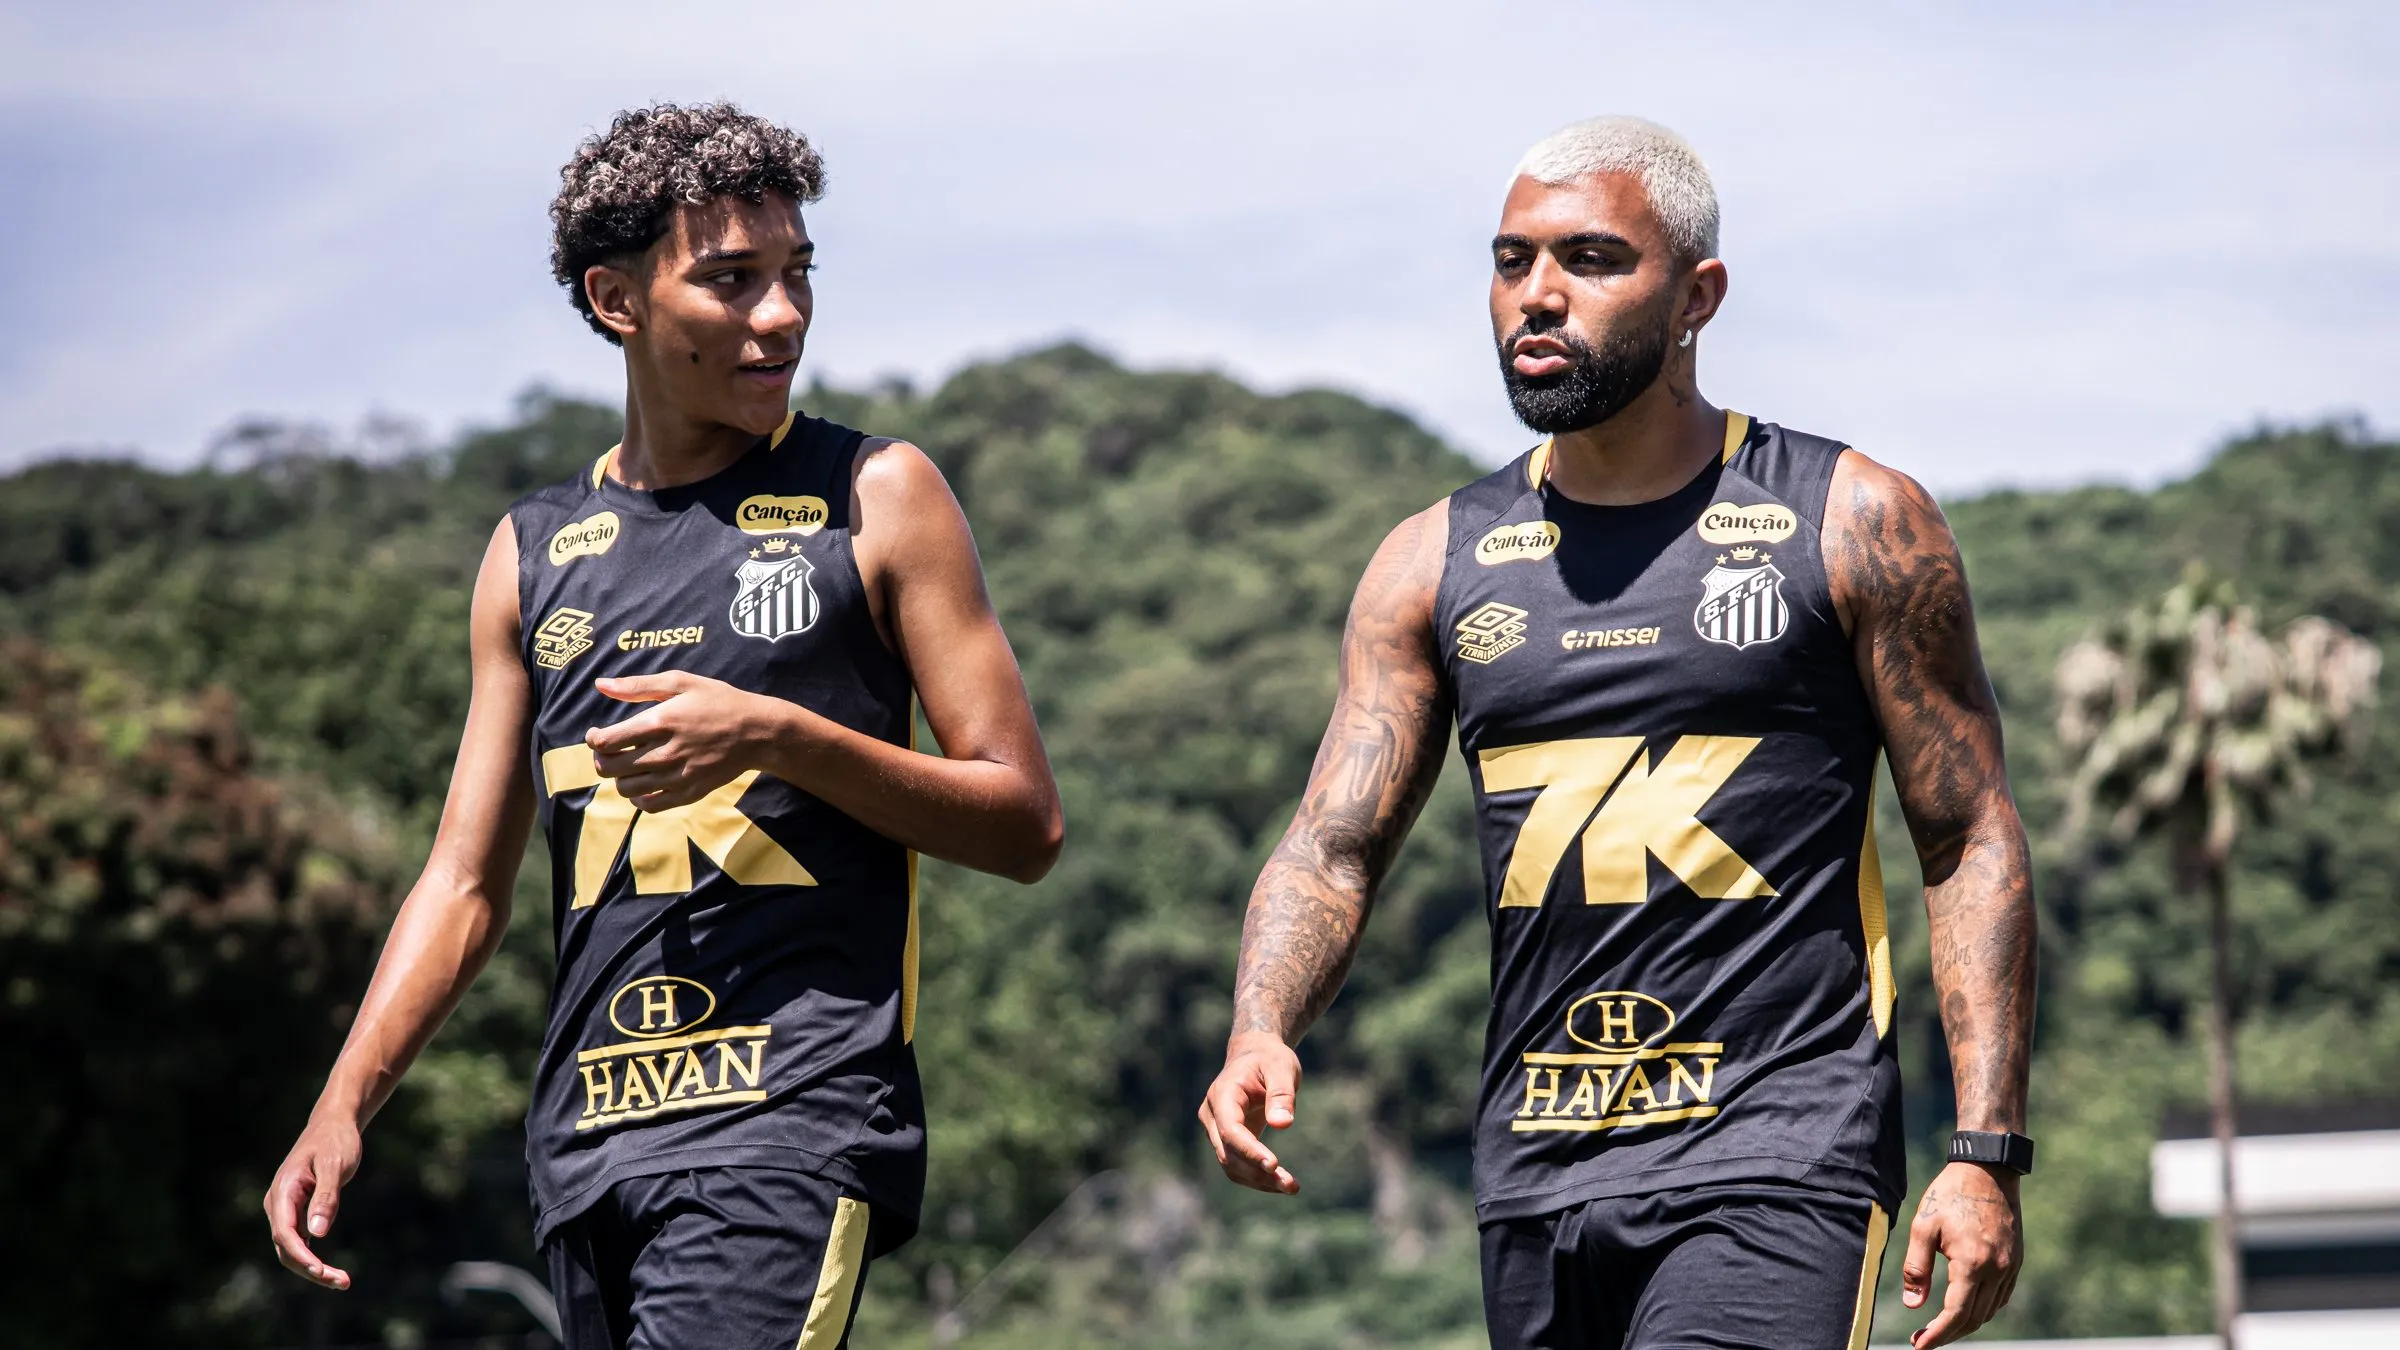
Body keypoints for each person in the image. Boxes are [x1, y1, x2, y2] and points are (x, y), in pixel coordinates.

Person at [1198, 116, 2037, 1350]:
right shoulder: (1430, 562)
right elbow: (1333, 845)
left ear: (1697, 297)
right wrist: (1260, 1023)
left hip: (1778, 1158)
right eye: (1510, 260)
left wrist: (1984, 1151)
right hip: (1536, 1180)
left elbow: (1967, 837)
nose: (1537, 296)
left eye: (1590, 260)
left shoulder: (1853, 520)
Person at [264, 102, 1063, 1348]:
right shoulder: (530, 556)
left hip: (790, 1127)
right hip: (587, 1152)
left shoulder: (877, 494)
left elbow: (1024, 822)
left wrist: (778, 737)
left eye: (797, 274)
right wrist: (342, 1103)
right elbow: (464, 882)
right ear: (618, 301)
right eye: (732, 281)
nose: (782, 315)